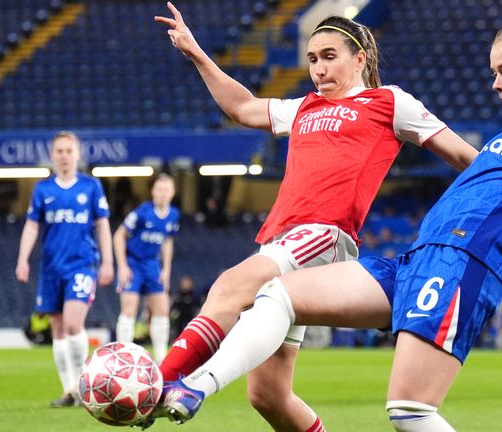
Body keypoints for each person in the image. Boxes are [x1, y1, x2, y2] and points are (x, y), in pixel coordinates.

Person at [155, 20, 502, 431]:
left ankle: (181, 383)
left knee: (410, 411)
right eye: (494, 70)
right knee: (279, 295)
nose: (495, 82)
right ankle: (196, 386)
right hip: (415, 259)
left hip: (458, 264)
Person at [151, 2, 479, 430]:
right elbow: (244, 108)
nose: (319, 69)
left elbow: (463, 156)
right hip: (283, 240)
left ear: (360, 58)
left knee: (231, 284)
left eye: (329, 57)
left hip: (324, 234)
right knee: (268, 395)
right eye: (312, 59)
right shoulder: (303, 107)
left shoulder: (389, 102)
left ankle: (160, 382)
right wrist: (197, 53)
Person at [15, 131, 114, 407]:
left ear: (77, 154)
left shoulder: (91, 187)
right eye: (59, 151)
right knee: (57, 330)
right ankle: (69, 390)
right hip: (51, 269)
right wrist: (23, 259)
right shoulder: (43, 190)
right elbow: (32, 226)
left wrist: (108, 261)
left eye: (69, 151)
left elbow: (103, 225)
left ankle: (84, 385)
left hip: (82, 265)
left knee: (73, 323)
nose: (64, 156)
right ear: (52, 155)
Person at [114, 174, 179, 363]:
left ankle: (161, 358)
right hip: (133, 263)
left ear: (173, 192)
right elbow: (119, 236)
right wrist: (123, 266)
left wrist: (166, 270)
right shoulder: (142, 212)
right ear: (152, 192)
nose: (163, 194)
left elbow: (167, 241)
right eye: (159, 189)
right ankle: (122, 357)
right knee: (129, 310)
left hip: (152, 265)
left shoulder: (173, 215)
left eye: (167, 190)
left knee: (162, 310)